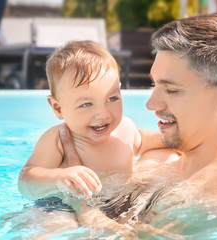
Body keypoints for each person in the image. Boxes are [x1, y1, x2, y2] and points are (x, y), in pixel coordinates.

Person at [59, 12, 217, 218]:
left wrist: (80, 203)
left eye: (172, 90)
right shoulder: (160, 159)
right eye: (154, 85)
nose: (151, 104)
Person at [18, 40, 166, 201]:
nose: (103, 114)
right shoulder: (58, 139)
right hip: (63, 207)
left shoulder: (125, 128)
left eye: (112, 98)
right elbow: (26, 180)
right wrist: (59, 178)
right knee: (57, 224)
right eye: (86, 104)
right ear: (58, 108)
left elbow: (142, 141)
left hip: (116, 202)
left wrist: (182, 138)